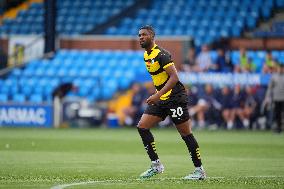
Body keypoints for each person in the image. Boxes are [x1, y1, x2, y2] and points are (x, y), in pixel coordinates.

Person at [137, 25, 206, 180]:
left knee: (185, 134)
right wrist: (158, 95)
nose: (141, 37)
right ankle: (156, 165)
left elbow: (174, 77)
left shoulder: (162, 54)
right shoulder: (146, 56)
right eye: (139, 35)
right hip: (161, 98)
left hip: (175, 98)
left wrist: (158, 94)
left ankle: (200, 171)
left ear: (152, 36)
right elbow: (159, 78)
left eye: (144, 35)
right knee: (142, 126)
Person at [264, 63, 284, 133]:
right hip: (276, 98)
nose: (280, 69)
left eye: (282, 68)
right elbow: (270, 88)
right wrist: (267, 97)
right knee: (277, 114)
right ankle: (279, 128)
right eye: (279, 68)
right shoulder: (274, 77)